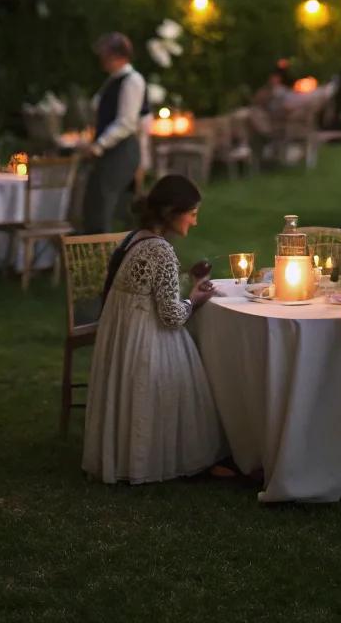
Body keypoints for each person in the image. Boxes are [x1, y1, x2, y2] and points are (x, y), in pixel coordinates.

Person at [82, 174, 224, 484]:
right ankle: (156, 455)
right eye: (192, 213)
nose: (195, 221)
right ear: (172, 212)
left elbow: (147, 292)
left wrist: (188, 284)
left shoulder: (134, 239)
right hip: (144, 339)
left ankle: (125, 453)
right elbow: (171, 315)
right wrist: (195, 300)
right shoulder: (161, 251)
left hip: (122, 334)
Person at [82, 32, 147, 234]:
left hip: (121, 150)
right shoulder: (113, 80)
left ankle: (106, 247)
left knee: (105, 201)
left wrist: (100, 145)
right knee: (97, 201)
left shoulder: (132, 81)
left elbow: (126, 122)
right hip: (111, 149)